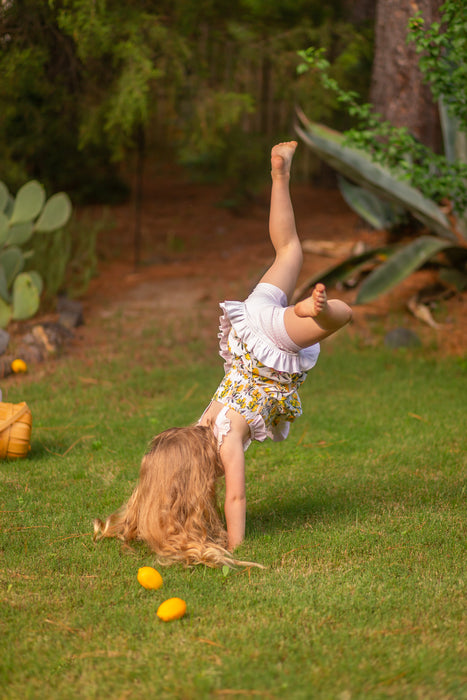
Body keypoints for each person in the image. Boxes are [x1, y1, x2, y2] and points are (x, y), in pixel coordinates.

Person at [94, 141, 352, 568]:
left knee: (340, 317)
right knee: (289, 251)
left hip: (272, 346)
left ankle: (312, 310)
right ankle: (279, 174)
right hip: (252, 322)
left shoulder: (228, 438)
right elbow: (168, 470)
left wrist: (235, 544)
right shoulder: (203, 423)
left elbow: (236, 494)